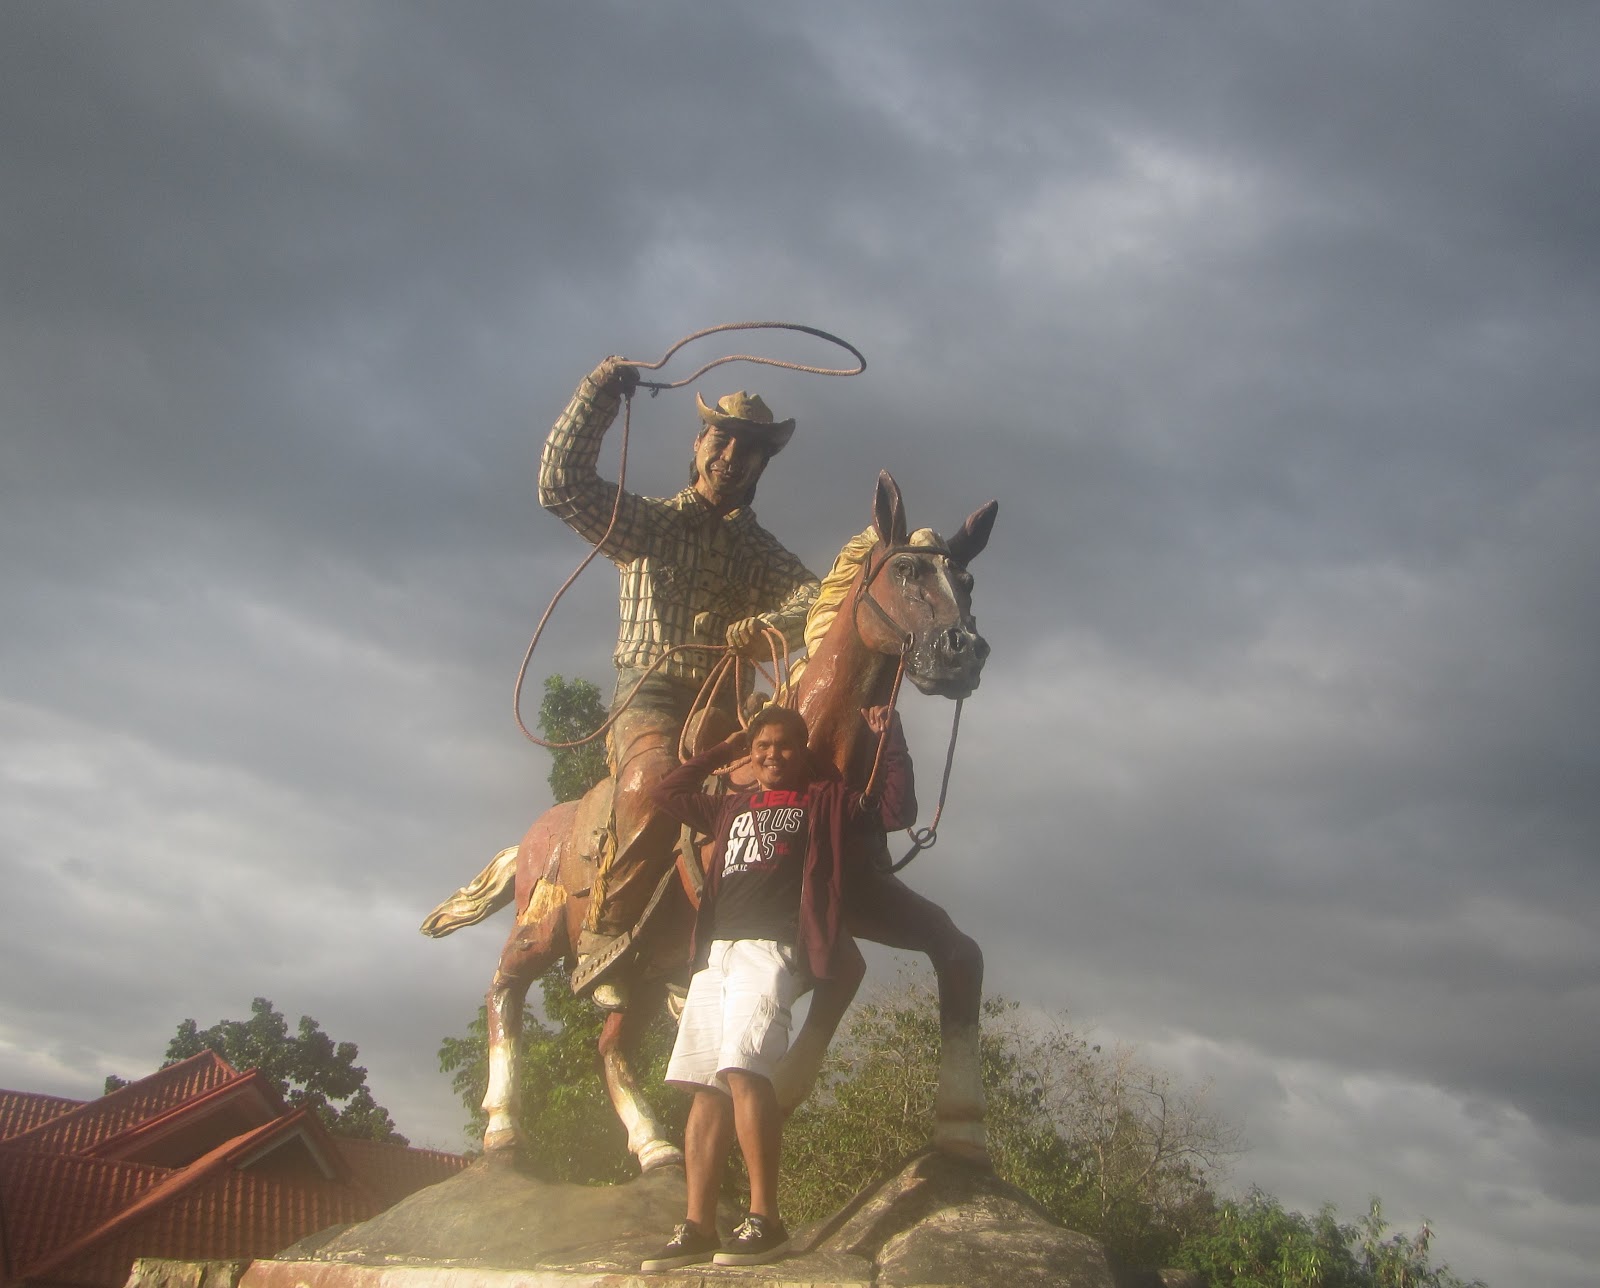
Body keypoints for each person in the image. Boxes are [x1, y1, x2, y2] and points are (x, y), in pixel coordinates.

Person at [538, 357, 821, 992]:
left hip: (728, 708)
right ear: (698, 446)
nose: (733, 456)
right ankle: (608, 928)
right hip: (653, 693)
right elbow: (561, 486)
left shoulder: (762, 552)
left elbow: (820, 597)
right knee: (653, 780)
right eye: (721, 440)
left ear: (761, 467)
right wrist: (597, 394)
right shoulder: (649, 525)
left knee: (797, 789)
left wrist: (769, 624)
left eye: (751, 450)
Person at [639, 703, 915, 1272]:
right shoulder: (731, 806)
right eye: (762, 747)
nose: (771, 755)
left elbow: (895, 808)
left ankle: (766, 1219)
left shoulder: (823, 802)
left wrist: (892, 739)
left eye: (783, 746)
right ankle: (696, 1225)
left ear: (801, 752)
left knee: (743, 1069)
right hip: (716, 954)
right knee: (704, 1086)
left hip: (773, 949)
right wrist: (725, 749)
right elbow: (667, 792)